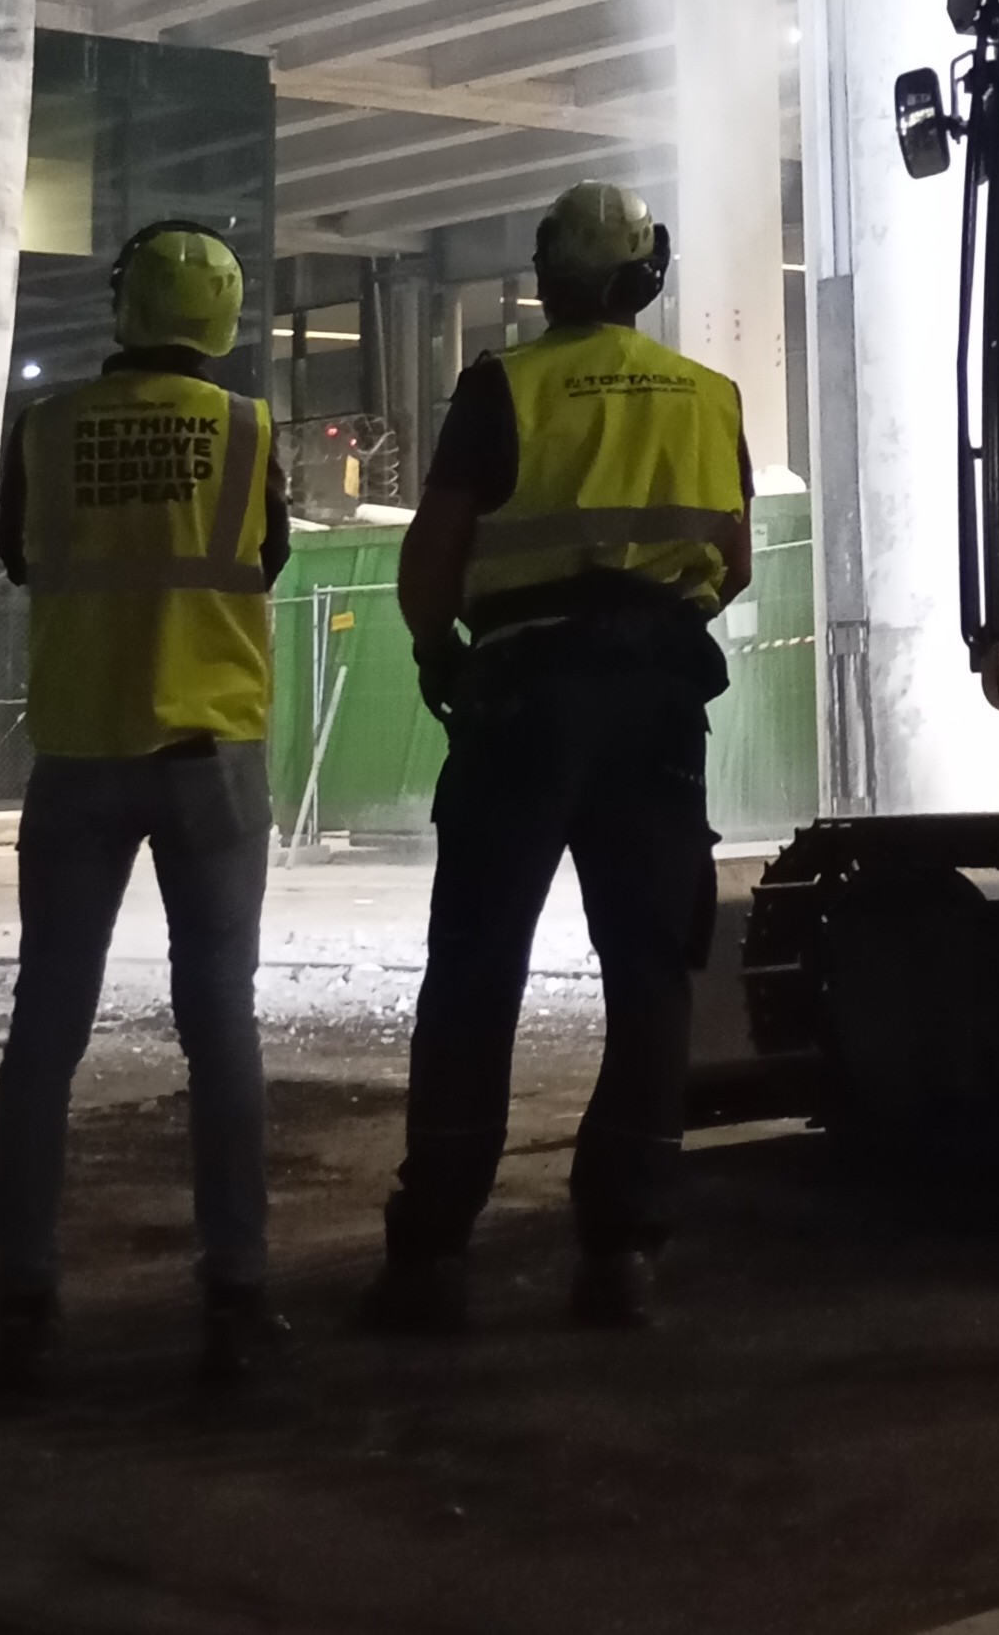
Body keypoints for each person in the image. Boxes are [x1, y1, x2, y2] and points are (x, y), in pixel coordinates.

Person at [363, 179, 751, 1334]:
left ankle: (433, 1254)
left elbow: (433, 557)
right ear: (647, 276)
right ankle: (622, 1248)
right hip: (657, 702)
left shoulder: (503, 385)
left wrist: (439, 650)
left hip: (524, 699)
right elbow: (732, 562)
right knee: (649, 969)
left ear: (546, 278)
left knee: (477, 965)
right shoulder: (708, 393)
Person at [0, 220, 287, 1388]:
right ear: (222, 315)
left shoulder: (46, 426)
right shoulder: (248, 429)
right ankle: (236, 1292)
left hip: (80, 749)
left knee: (47, 1025)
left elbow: (26, 558)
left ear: (125, 304)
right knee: (220, 1020)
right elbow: (263, 560)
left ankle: (23, 1301)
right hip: (210, 751)